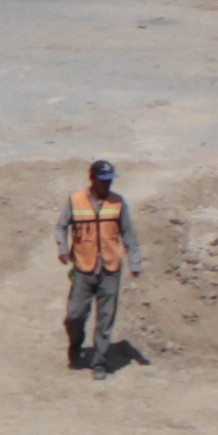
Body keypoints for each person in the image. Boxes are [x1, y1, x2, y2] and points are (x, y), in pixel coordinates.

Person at [63, 160, 138, 374]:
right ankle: (76, 343)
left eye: (109, 181)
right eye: (103, 180)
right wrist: (62, 248)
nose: (107, 184)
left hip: (110, 269)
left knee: (105, 318)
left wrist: (135, 261)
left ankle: (99, 362)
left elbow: (129, 234)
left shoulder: (118, 203)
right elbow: (61, 226)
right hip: (83, 268)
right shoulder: (75, 201)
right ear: (92, 179)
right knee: (74, 315)